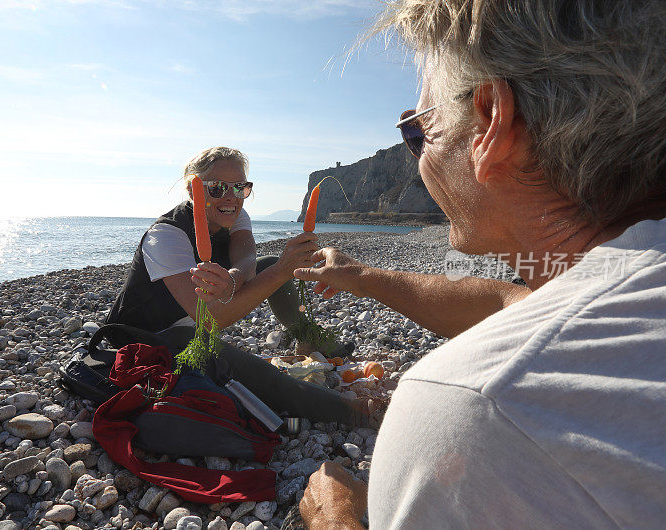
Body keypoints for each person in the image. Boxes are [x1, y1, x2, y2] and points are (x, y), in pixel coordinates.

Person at [296, 1, 666, 528]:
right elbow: (519, 304)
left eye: (418, 132)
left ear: (491, 120)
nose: (418, 157)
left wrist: (339, 520)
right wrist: (358, 276)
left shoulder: (474, 408)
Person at [106, 146, 369, 426]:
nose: (230, 196)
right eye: (217, 188)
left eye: (240, 187)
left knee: (269, 265)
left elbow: (246, 257)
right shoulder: (166, 235)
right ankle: (354, 412)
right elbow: (211, 320)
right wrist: (280, 271)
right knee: (243, 367)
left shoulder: (232, 213)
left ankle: (314, 342)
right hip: (146, 339)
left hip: (194, 321)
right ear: (191, 189)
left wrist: (233, 278)